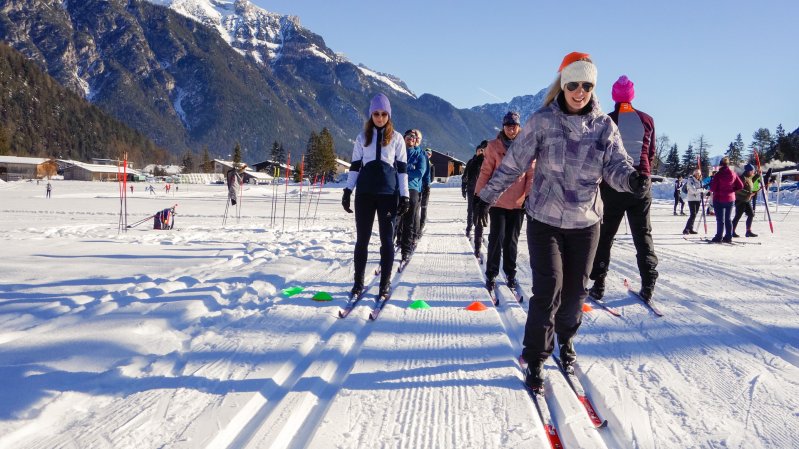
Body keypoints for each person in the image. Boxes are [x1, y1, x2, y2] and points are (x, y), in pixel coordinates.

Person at [478, 52, 646, 390]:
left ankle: (565, 339)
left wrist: (632, 180)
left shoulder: (603, 126)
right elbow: (514, 164)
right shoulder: (542, 121)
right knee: (548, 289)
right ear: (562, 85)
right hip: (545, 219)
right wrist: (486, 196)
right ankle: (536, 357)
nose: (579, 91)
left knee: (574, 294)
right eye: (573, 84)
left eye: (586, 85)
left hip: (586, 222)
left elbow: (616, 166)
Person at [587, 75, 659, 303]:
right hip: (641, 183)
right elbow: (651, 153)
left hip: (614, 185)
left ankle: (598, 285)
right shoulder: (647, 120)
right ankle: (648, 284)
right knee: (643, 234)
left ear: (614, 96)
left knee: (606, 236)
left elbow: (600, 154)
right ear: (633, 95)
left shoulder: (607, 120)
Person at [342, 93, 410, 298]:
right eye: (375, 114)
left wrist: (405, 195)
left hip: (388, 195)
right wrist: (347, 191)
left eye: (383, 114)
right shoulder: (362, 137)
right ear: (370, 114)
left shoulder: (397, 138)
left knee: (387, 241)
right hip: (364, 194)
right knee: (361, 240)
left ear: (388, 114)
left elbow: (402, 169)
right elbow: (354, 167)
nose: (379, 118)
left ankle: (384, 284)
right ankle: (358, 283)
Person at [474, 111, 534, 292]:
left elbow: (531, 174)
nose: (511, 129)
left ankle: (510, 272)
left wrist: (529, 196)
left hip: (518, 202)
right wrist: (479, 197)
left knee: (511, 241)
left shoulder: (527, 146)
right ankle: (491, 273)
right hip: (497, 201)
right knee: (496, 238)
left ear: (519, 126)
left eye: (514, 126)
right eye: (508, 126)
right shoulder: (493, 146)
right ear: (503, 127)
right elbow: (485, 172)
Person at [396, 129, 428, 261]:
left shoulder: (419, 155)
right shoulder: (397, 152)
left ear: (417, 141)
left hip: (413, 188)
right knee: (395, 218)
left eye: (414, 137)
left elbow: (420, 172)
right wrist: (408, 171)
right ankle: (394, 242)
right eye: (409, 136)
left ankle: (406, 249)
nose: (411, 138)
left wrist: (404, 173)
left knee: (409, 219)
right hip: (397, 188)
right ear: (404, 138)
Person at [709, 157, 743, 243]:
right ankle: (728, 236)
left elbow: (713, 188)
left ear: (720, 165)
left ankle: (719, 236)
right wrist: (732, 189)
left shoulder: (718, 175)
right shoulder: (733, 173)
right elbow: (741, 186)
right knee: (728, 219)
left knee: (720, 219)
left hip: (719, 198)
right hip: (730, 198)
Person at [462, 141, 488, 238]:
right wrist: (463, 188)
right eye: (478, 150)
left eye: (482, 150)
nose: (480, 152)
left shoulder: (486, 161)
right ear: (476, 151)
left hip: (482, 190)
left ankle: (478, 231)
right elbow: (465, 176)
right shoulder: (471, 161)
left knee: (480, 211)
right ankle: (469, 228)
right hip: (471, 189)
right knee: (470, 210)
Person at [732, 164, 758, 238]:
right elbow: (737, 189)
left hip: (746, 200)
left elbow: (752, 180)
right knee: (738, 216)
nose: (753, 172)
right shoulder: (742, 178)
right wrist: (749, 193)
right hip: (740, 200)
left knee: (751, 214)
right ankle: (731, 231)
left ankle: (748, 231)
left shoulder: (748, 177)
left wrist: (758, 175)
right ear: (749, 171)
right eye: (752, 171)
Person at [682, 168, 704, 234]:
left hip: (698, 199)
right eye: (696, 174)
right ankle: (686, 229)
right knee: (693, 214)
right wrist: (701, 190)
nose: (697, 175)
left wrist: (706, 192)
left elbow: (701, 190)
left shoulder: (700, 181)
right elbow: (693, 190)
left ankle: (690, 228)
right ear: (694, 174)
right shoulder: (690, 181)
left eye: (699, 174)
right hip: (691, 199)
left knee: (694, 214)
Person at [419, 146, 433, 233]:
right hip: (418, 187)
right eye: (426, 153)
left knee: (424, 207)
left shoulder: (431, 166)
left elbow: (431, 178)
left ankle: (422, 224)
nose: (427, 155)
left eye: (429, 154)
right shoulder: (421, 161)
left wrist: (427, 185)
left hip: (426, 187)